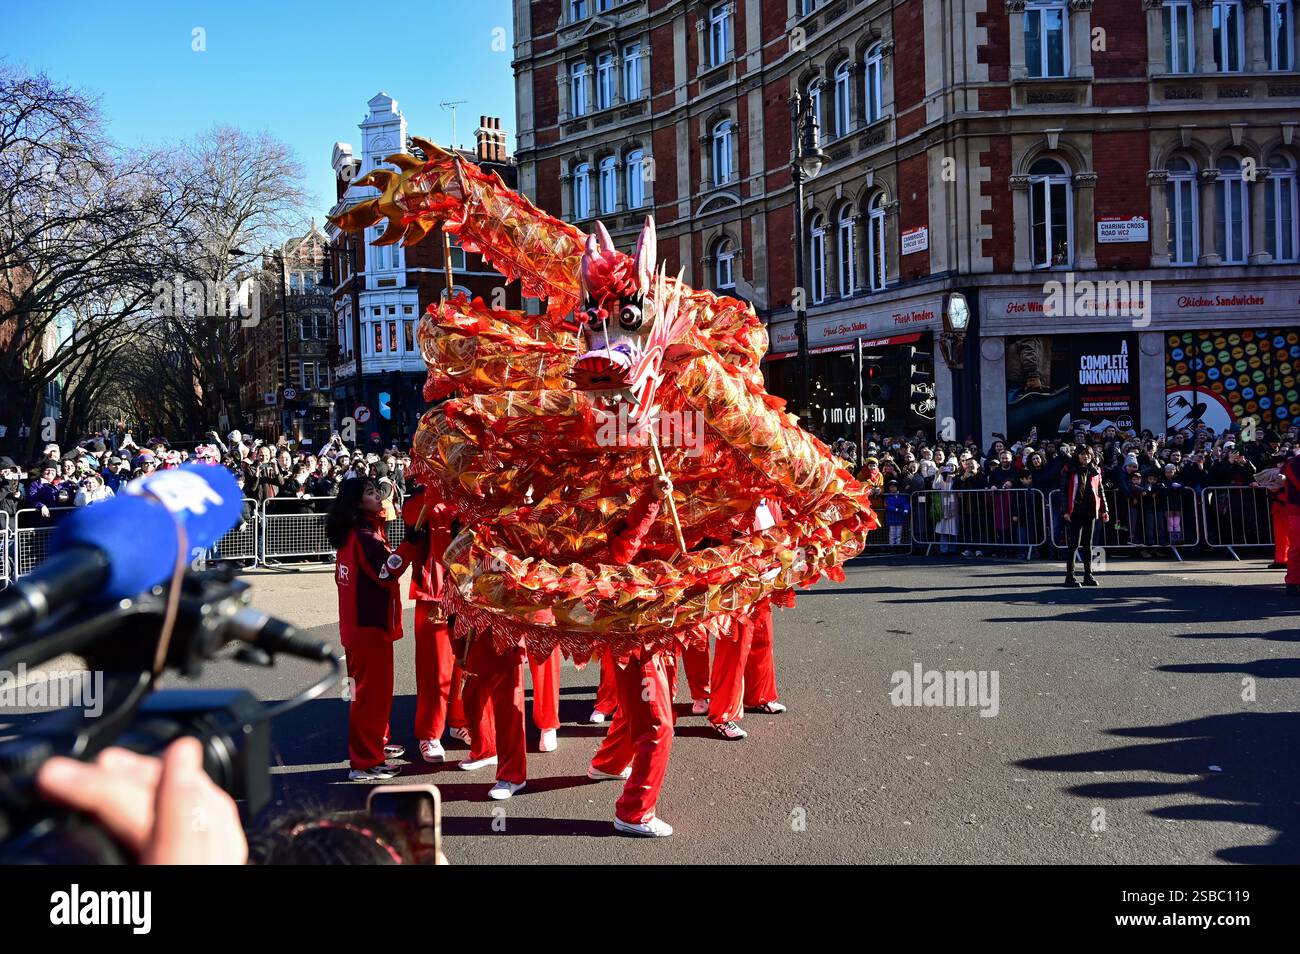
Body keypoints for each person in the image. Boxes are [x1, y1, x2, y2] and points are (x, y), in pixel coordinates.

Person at [326, 477, 428, 780]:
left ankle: (375, 745)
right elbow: (387, 570)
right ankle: (365, 761)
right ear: (357, 502)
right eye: (370, 493)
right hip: (368, 629)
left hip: (361, 628)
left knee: (372, 696)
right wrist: (411, 542)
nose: (377, 497)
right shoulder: (363, 535)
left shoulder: (358, 530)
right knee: (369, 697)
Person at [401, 482, 466, 762]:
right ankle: (430, 734)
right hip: (433, 593)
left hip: (465, 590)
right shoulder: (424, 496)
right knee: (434, 669)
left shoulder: (467, 490)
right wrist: (434, 489)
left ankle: (460, 722)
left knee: (464, 665)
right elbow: (409, 515)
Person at [1060, 445, 1109, 587]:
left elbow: (1100, 490)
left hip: (1090, 510)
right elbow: (1063, 490)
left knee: (1088, 544)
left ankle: (1088, 575)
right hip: (1075, 510)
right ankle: (1070, 576)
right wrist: (1065, 511)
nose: (1085, 457)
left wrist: (1105, 509)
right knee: (1074, 544)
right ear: (1077, 455)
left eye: (1088, 454)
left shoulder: (1095, 470)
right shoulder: (1069, 469)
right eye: (1082, 454)